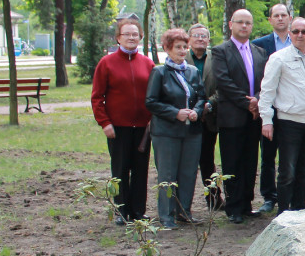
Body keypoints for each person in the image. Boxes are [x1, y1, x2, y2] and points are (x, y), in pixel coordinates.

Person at [259, 17, 305, 212]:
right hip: (289, 122)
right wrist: (266, 120)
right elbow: (267, 92)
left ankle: (299, 210)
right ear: (290, 34)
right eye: (296, 31)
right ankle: (283, 213)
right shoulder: (278, 58)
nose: (300, 35)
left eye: (304, 31)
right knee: (287, 172)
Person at [91, 17, 154, 225]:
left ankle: (138, 210)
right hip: (117, 128)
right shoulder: (106, 63)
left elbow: (154, 94)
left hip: (143, 128)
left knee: (140, 170)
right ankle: (120, 210)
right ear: (118, 38)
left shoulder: (148, 63)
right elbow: (97, 97)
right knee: (120, 169)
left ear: (140, 37)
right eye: (126, 34)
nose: (131, 37)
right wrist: (105, 122)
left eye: (135, 34)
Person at [211, 9, 268, 224]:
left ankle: (246, 204)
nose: (244, 26)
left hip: (254, 117)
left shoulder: (259, 52)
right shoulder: (220, 51)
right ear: (231, 24)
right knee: (232, 162)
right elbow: (223, 82)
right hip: (232, 117)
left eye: (248, 23)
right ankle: (233, 206)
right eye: (240, 22)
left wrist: (258, 99)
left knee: (250, 161)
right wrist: (248, 103)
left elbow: (266, 81)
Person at [145, 29, 206, 229]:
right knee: (168, 174)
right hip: (166, 132)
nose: (182, 51)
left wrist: (196, 111)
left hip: (191, 132)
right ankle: (166, 215)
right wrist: (175, 112)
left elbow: (201, 97)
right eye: (177, 47)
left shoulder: (192, 71)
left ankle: (184, 211)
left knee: (188, 172)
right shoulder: (159, 72)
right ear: (167, 49)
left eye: (184, 47)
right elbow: (151, 102)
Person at [252, 3, 293, 214]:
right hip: (268, 107)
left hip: (292, 109)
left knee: (289, 155)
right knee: (267, 155)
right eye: (275, 15)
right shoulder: (259, 45)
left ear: (289, 18)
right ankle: (269, 196)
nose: (280, 18)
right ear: (270, 20)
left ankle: (289, 195)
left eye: (283, 15)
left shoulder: (299, 42)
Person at [187, 23, 221, 211]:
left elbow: (221, 87)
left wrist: (208, 105)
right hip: (187, 118)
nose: (200, 38)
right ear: (189, 38)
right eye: (196, 35)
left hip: (209, 117)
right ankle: (184, 202)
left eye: (204, 36)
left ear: (208, 40)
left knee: (207, 161)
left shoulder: (216, 59)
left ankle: (214, 200)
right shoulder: (181, 57)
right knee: (187, 161)